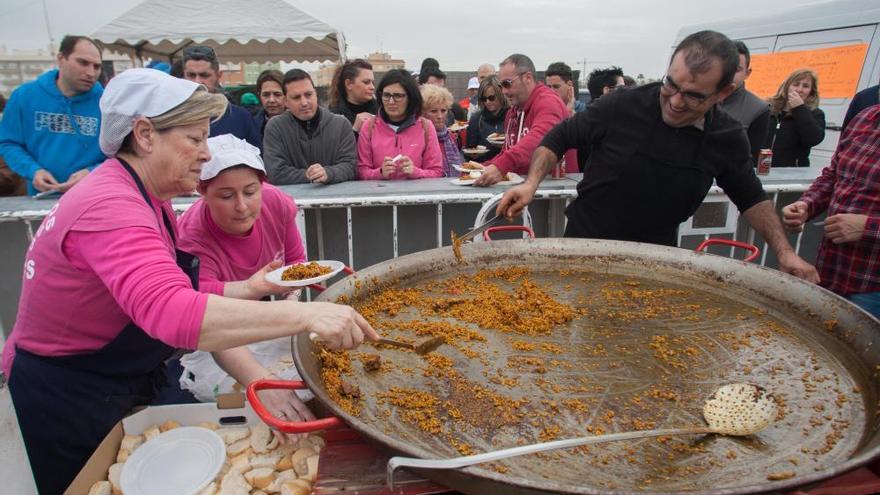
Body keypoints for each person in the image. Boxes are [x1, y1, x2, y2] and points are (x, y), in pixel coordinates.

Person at [0, 68, 377, 494]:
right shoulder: (111, 207)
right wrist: (308, 314)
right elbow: (173, 313)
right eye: (195, 139)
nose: (204, 154)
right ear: (144, 134)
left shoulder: (148, 199)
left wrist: (251, 289)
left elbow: (185, 292)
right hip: (70, 394)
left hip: (125, 376)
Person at [496, 30, 818, 283]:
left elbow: (752, 197)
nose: (676, 102)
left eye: (692, 96)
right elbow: (560, 136)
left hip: (655, 260)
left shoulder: (726, 136)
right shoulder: (622, 104)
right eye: (671, 85)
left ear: (723, 94)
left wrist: (785, 252)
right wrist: (531, 184)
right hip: (584, 246)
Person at [177, 134, 316, 425]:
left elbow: (296, 264)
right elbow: (208, 316)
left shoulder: (276, 202)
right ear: (202, 191)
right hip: (215, 318)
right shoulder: (191, 237)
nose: (242, 206)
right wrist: (261, 382)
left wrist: (290, 299)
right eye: (226, 196)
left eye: (251, 191)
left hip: (261, 299)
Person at [781, 105, 880, 318]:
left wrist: (868, 227)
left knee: (864, 350)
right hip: (831, 272)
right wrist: (807, 205)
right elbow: (833, 176)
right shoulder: (865, 117)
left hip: (872, 287)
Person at [0, 35, 104, 195]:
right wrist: (33, 171)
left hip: (93, 196)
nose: (90, 72)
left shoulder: (108, 103)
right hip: (41, 197)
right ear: (61, 58)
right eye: (83, 63)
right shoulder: (24, 96)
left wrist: (93, 172)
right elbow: (8, 143)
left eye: (96, 66)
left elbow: (123, 154)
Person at [473, 53, 577, 186]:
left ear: (528, 78)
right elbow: (507, 151)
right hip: (527, 192)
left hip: (556, 195)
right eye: (501, 86)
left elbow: (540, 140)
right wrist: (480, 169)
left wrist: (501, 166)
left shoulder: (548, 102)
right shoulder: (512, 112)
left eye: (507, 84)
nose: (504, 91)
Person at [263, 69, 357, 185]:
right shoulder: (275, 127)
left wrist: (329, 173)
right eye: (296, 97)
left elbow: (351, 167)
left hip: (337, 199)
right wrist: (312, 175)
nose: (304, 102)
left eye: (308, 95)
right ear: (286, 102)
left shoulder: (341, 125)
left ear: (316, 94)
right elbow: (275, 173)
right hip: (292, 200)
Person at [357, 69, 443, 180]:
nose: (391, 101)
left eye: (398, 96)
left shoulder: (426, 127)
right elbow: (361, 171)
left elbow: (436, 171)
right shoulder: (369, 127)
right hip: (379, 194)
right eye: (386, 95)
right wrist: (380, 173)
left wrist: (416, 172)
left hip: (415, 195)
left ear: (410, 98)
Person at [182, 45, 262, 149]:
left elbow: (257, 159)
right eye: (191, 75)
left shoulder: (240, 118)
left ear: (218, 76)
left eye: (204, 75)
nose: (198, 82)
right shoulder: (170, 116)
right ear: (183, 75)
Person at [763, 68, 825, 167]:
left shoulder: (815, 114)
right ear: (787, 86)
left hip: (792, 171)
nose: (799, 89)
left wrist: (800, 109)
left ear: (811, 91)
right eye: (795, 84)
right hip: (761, 167)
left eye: (805, 86)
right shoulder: (768, 108)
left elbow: (813, 139)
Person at [719, 41, 770, 161]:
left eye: (736, 69)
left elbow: (751, 159)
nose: (729, 74)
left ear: (747, 73)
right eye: (726, 67)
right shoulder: (698, 97)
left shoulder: (758, 109)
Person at [328, 58, 377, 136]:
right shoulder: (333, 117)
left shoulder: (381, 110)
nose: (372, 87)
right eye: (366, 82)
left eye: (372, 82)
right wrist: (354, 130)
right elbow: (334, 146)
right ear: (349, 84)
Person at [421, 83, 462, 177]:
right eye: (433, 111)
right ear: (422, 113)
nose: (440, 116)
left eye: (443, 110)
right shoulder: (419, 137)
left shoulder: (450, 136)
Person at [465, 76, 508, 162]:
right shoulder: (476, 119)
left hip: (510, 169)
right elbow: (469, 149)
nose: (487, 102)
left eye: (491, 98)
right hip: (484, 168)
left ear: (501, 94)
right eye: (484, 99)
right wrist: (473, 155)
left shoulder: (512, 116)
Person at [253, 69, 285, 134]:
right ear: (259, 96)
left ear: (287, 95)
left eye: (277, 94)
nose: (271, 100)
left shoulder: (300, 124)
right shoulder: (251, 126)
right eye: (266, 95)